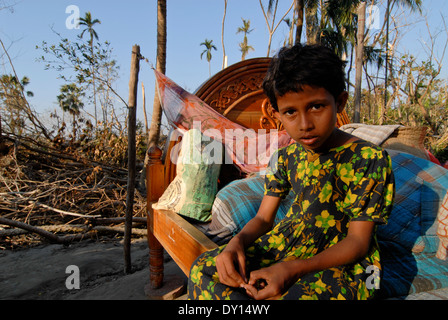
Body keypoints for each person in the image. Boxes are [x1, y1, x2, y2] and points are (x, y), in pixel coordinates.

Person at [187, 44, 395, 300]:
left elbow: (358, 242)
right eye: (290, 112)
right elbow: (263, 219)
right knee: (203, 271)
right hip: (292, 243)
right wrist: (236, 242)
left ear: (339, 102)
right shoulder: (285, 158)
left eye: (317, 107)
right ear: (277, 114)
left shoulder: (369, 159)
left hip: (347, 259)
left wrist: (292, 269)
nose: (305, 124)